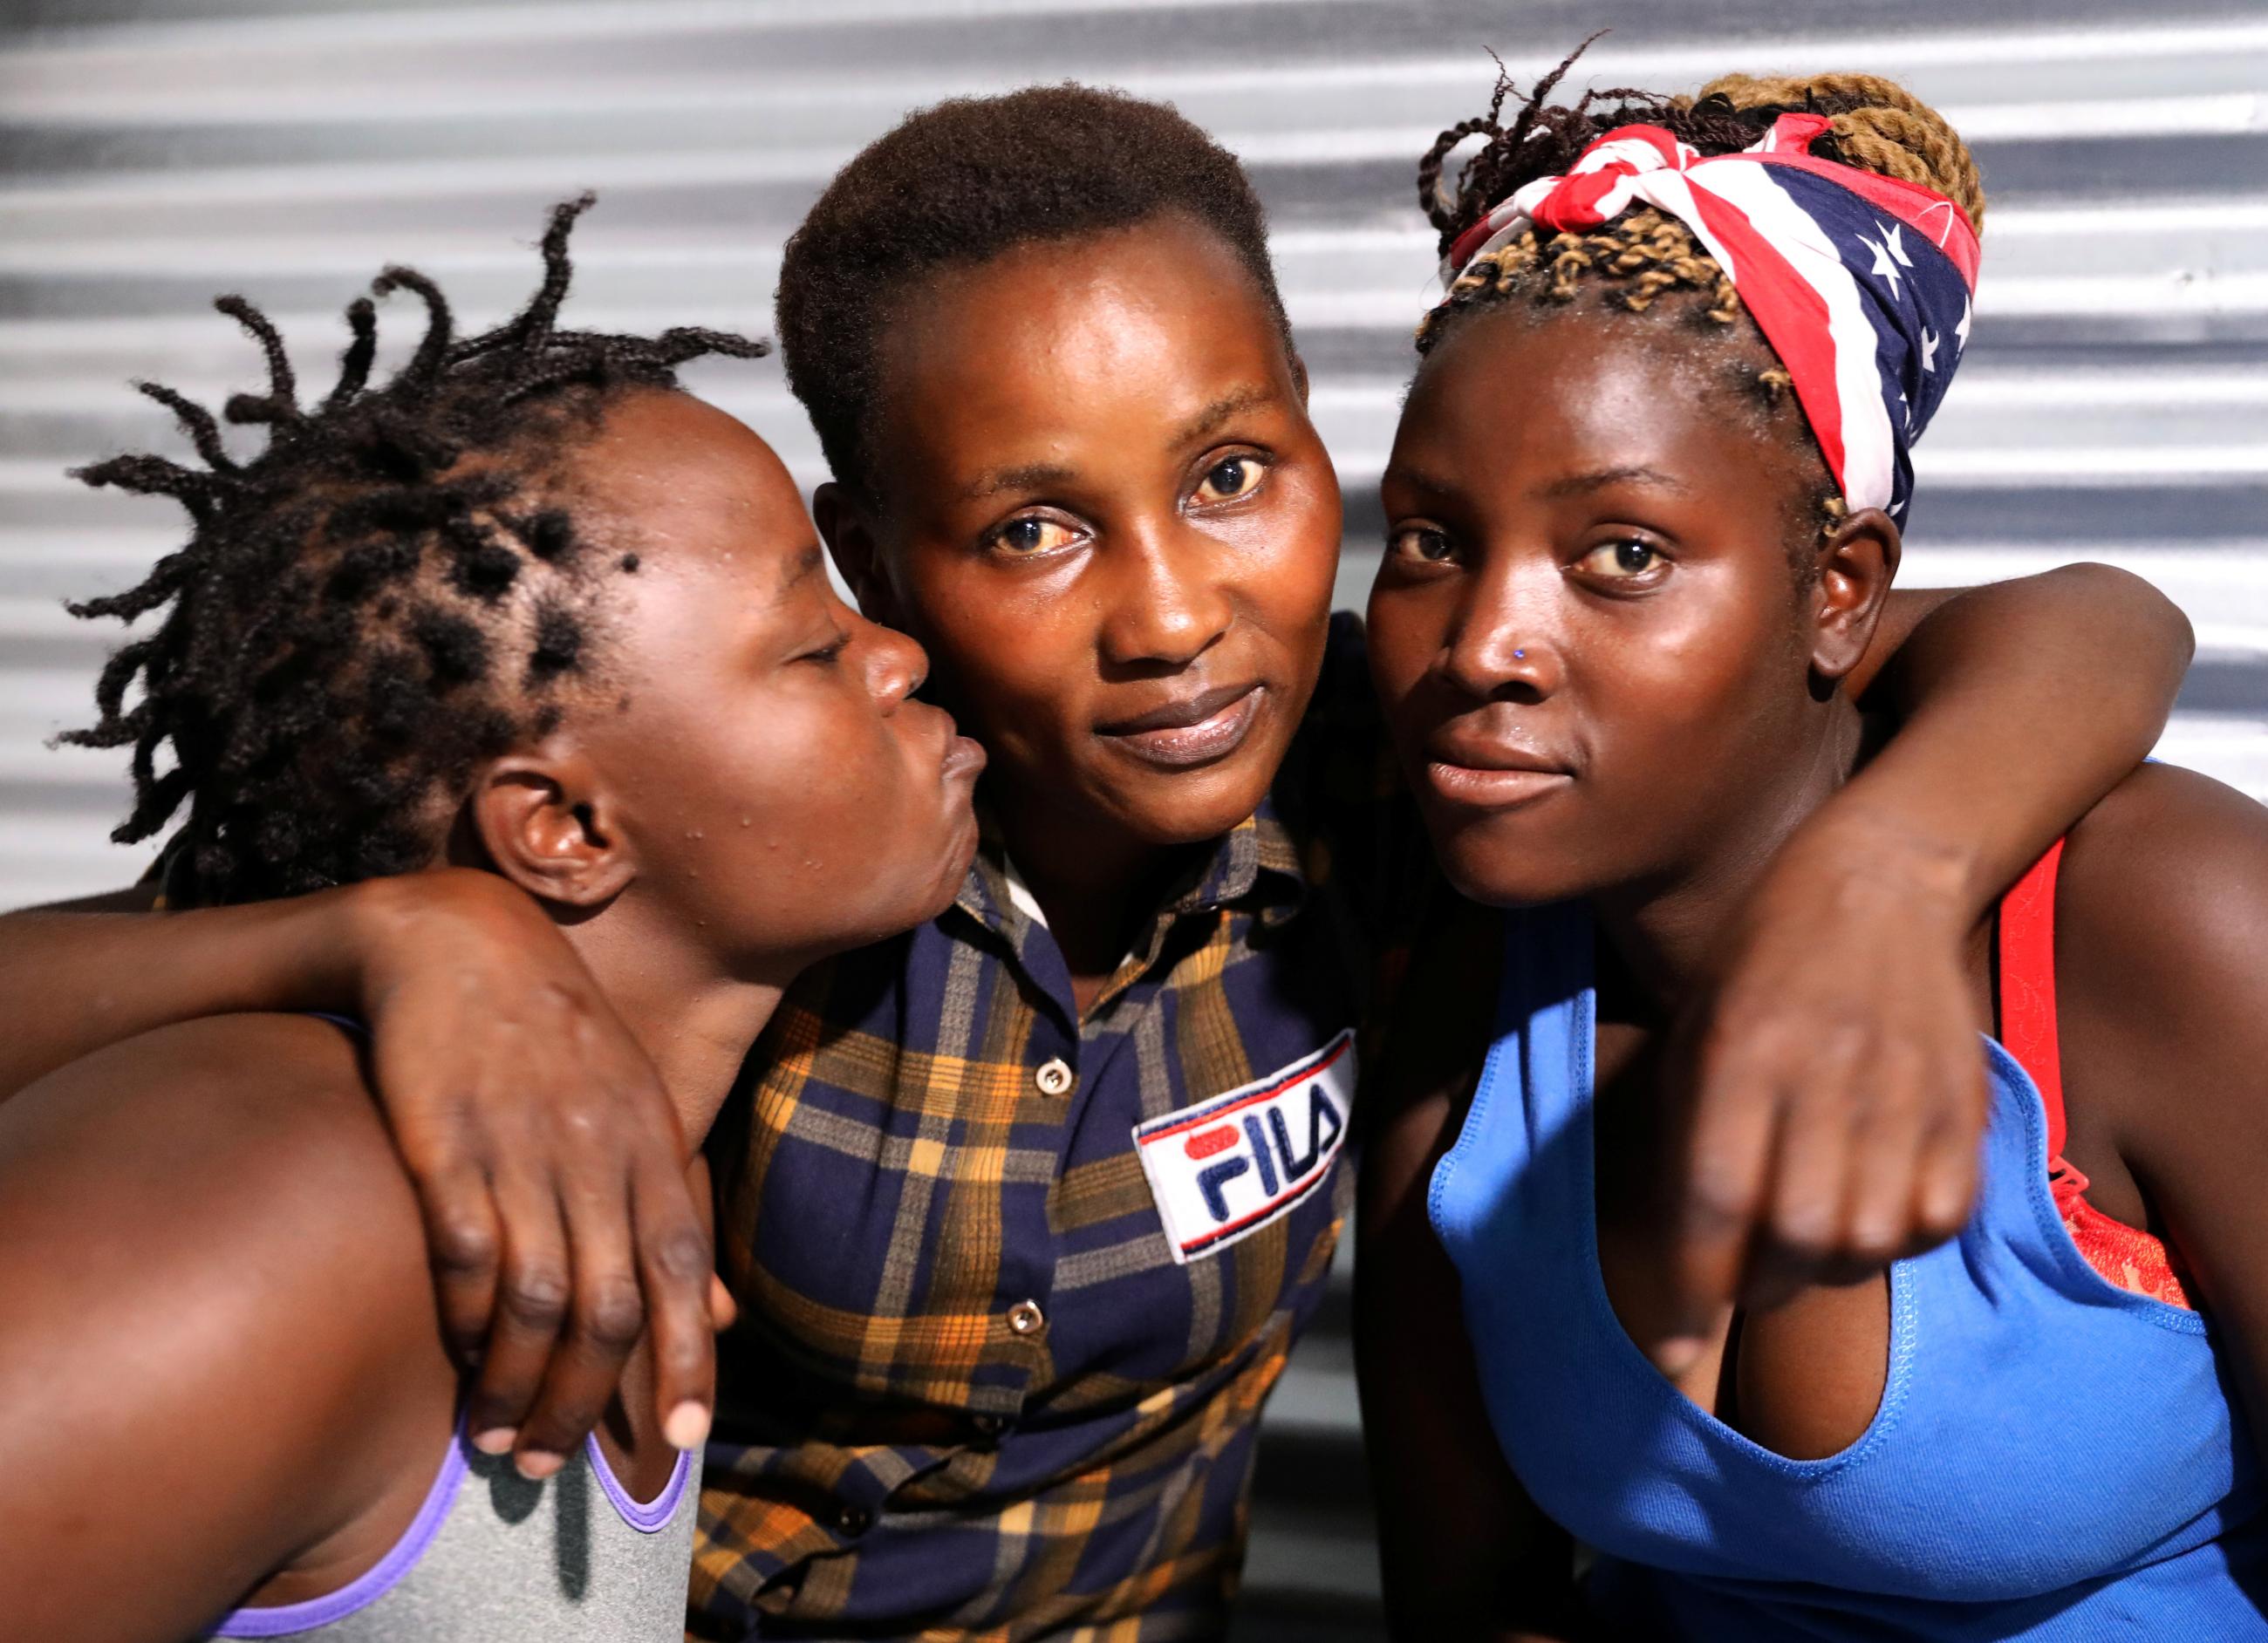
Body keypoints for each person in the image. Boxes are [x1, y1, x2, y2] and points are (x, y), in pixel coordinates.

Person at [0, 88, 2194, 1640]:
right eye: (1034, 529)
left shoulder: (1398, 761)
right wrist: (406, 933)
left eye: (1235, 475)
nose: (1169, 612)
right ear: (876, 567)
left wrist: (1893, 867)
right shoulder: (767, 859)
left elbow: (2075, 624)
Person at [1358, 62, 2268, 1640]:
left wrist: (1879, 874)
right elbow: (1480, 1608)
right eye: (1433, 540)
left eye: (1621, 554)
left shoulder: (2154, 926)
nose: (1484, 644)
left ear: (1842, 591)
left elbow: (2114, 617)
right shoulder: (1465, 997)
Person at [0, 200, 984, 1641]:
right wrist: (401, 931)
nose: (900, 652)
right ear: (567, 831)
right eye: (814, 645)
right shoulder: (297, 1204)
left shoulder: (636, 1138)